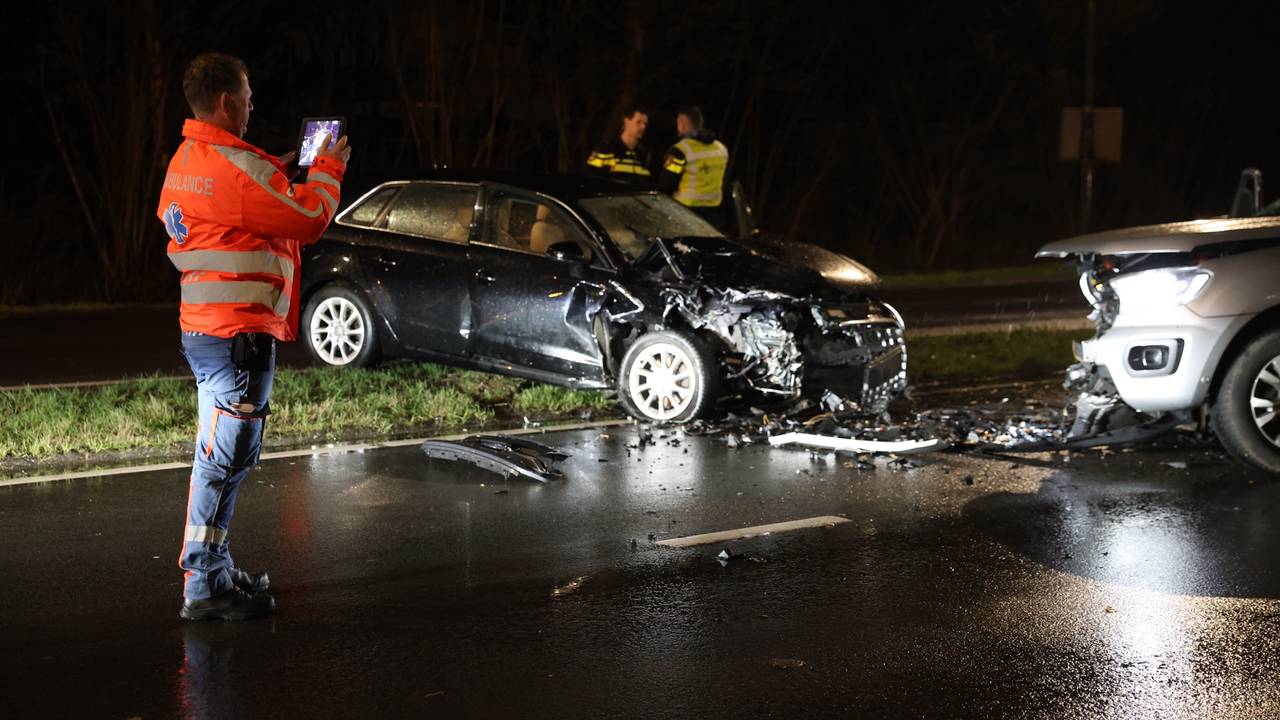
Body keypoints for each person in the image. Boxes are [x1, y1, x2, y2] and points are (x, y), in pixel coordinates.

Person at [157, 52, 351, 621]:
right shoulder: (233, 170)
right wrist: (326, 171)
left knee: (219, 457)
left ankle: (212, 568)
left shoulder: (187, 159)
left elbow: (220, 206)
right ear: (225, 102)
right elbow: (309, 218)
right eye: (247, 95)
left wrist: (270, 173)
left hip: (207, 332)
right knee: (225, 460)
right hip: (238, 334)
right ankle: (202, 583)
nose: (251, 104)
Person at [657, 105, 730, 231]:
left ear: (682, 124)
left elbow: (666, 184)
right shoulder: (721, 149)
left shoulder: (680, 150)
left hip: (685, 216)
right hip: (714, 218)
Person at [584, 105, 653, 188]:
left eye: (645, 123)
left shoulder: (643, 154)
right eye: (638, 122)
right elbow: (590, 177)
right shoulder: (607, 148)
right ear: (626, 121)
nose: (643, 127)